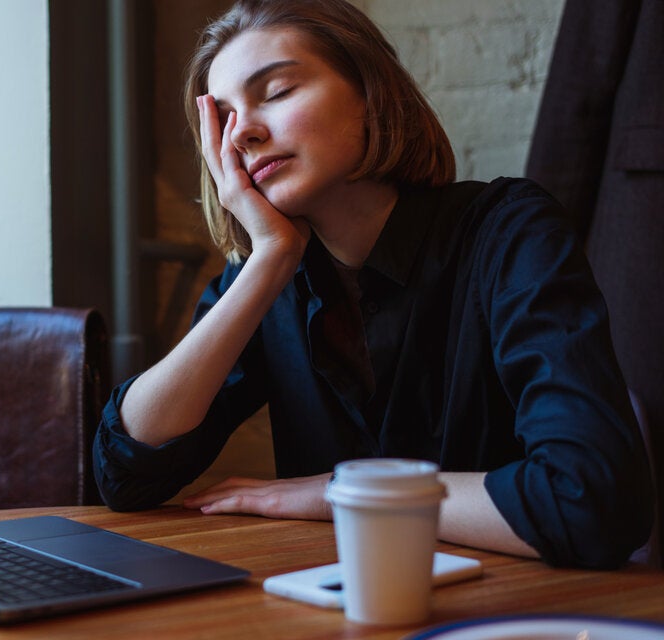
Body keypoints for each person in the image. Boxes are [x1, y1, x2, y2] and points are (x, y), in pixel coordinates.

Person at [92, 0, 653, 569]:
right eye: (225, 120)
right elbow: (126, 471)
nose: (244, 135)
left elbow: (591, 501)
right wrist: (267, 262)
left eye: (278, 91)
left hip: (515, 609)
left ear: (370, 92)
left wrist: (338, 494)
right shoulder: (268, 278)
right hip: (334, 611)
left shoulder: (507, 232)